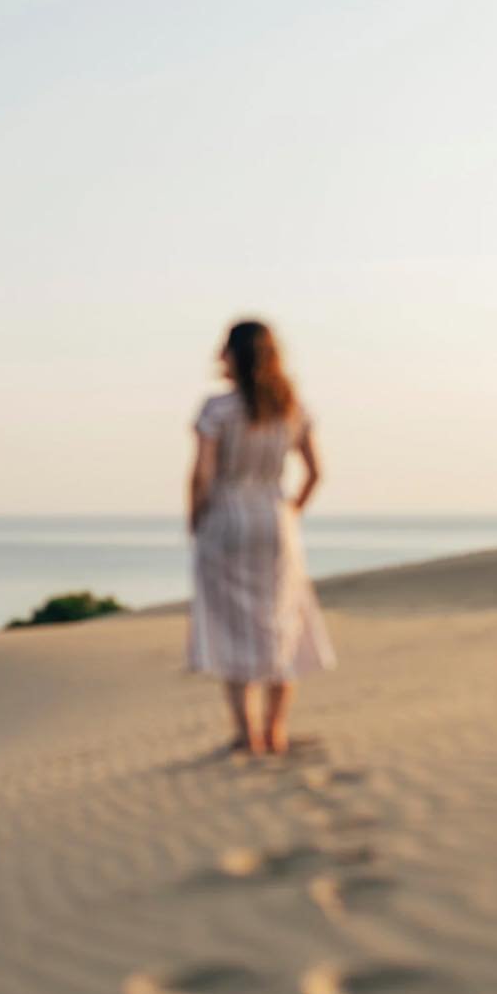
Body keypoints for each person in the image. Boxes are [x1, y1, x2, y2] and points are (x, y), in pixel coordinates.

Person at [186, 319, 335, 754]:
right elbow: (316, 473)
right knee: (281, 620)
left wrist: (196, 518)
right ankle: (276, 731)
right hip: (275, 518)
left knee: (232, 628)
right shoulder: (292, 408)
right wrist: (292, 511)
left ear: (235, 355)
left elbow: (202, 473)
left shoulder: (217, 410)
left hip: (227, 518)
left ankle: (246, 734)